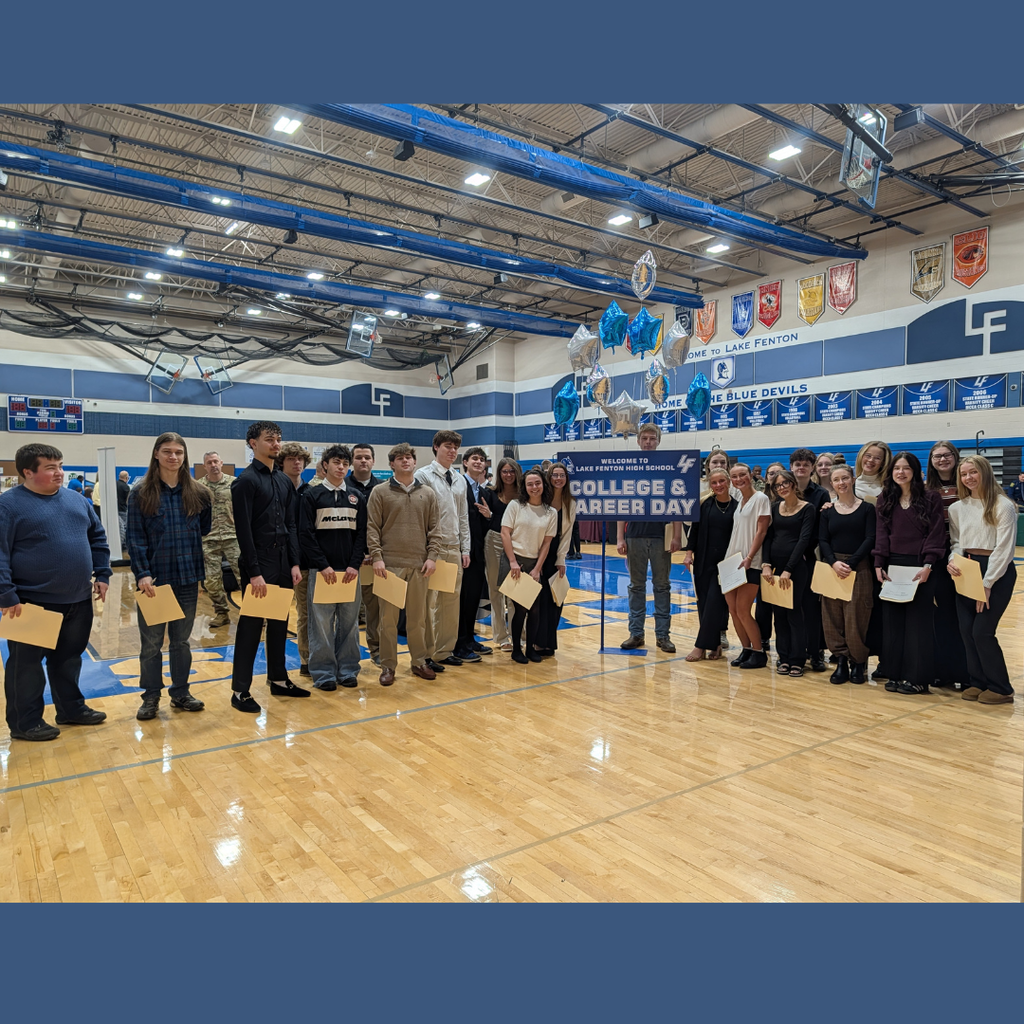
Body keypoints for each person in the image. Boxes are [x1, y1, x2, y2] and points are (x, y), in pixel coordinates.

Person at [0, 443, 111, 741]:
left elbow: (97, 538)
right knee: (26, 667)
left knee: (69, 659)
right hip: (30, 602)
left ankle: (71, 709)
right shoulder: (8, 505)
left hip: (77, 599)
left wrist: (103, 573)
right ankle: (25, 723)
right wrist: (5, 593)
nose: (59, 473)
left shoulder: (77, 501)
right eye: (51, 467)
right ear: (28, 471)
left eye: (60, 465)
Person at [127, 432, 213, 720]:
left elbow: (203, 529)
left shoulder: (200, 493)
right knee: (151, 643)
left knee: (181, 641)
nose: (173, 457)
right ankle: (151, 696)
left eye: (178, 452)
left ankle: (180, 692)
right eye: (167, 451)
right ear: (156, 454)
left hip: (187, 578)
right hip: (154, 582)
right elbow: (136, 538)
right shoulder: (140, 493)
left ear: (184, 456)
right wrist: (143, 574)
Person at [230, 421, 306, 713]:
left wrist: (295, 561)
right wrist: (254, 572)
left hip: (283, 561)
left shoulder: (284, 481)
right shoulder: (245, 482)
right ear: (252, 443)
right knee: (250, 628)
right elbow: (244, 532)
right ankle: (240, 690)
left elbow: (291, 525)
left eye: (278, 439)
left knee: (279, 624)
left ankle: (278, 678)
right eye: (269, 439)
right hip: (258, 562)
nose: (276, 444)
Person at [366, 443, 442, 685]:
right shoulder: (379, 492)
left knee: (418, 619)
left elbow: (435, 530)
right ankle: (388, 666)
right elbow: (372, 528)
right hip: (389, 566)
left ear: (414, 462)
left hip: (419, 565)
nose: (405, 461)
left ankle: (419, 661)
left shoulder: (428, 493)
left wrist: (432, 557)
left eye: (409, 457)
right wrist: (377, 558)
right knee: (387, 621)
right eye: (400, 458)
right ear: (392, 464)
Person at [873, 452, 946, 696]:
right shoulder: (885, 499)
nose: (901, 472)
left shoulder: (930, 497)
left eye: (906, 468)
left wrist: (928, 565)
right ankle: (895, 673)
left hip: (921, 568)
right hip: (893, 567)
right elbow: (881, 534)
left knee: (918, 625)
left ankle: (918, 679)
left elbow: (936, 533)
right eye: (896, 468)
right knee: (893, 624)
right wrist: (878, 563)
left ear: (915, 471)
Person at [947, 455, 1017, 705]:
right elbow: (956, 541)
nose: (968, 478)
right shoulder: (957, 507)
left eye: (973, 472)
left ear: (985, 473)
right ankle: (978, 682)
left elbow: (1004, 550)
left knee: (982, 631)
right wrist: (952, 561)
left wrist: (987, 584)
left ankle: (1000, 687)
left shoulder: (1002, 505)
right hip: (967, 567)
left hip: (995, 571)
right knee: (967, 631)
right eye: (964, 474)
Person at [299, 445, 367, 691]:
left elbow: (362, 535)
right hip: (322, 573)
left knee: (349, 625)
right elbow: (306, 535)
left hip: (349, 573)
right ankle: (324, 673)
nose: (341, 467)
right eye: (336, 462)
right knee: (321, 626)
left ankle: (347, 669)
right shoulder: (312, 495)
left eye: (344, 463)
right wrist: (323, 565)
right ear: (325, 465)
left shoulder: (356, 497)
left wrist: (354, 565)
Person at [617, 423, 682, 654]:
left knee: (662, 586)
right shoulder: (630, 468)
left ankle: (663, 636)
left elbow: (677, 502)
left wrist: (676, 536)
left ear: (658, 441)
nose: (647, 442)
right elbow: (621, 505)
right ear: (637, 441)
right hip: (634, 536)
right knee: (636, 586)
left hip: (660, 537)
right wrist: (620, 538)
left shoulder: (669, 467)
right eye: (644, 438)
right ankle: (636, 633)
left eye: (652, 438)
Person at [415, 430, 472, 670]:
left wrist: (465, 548)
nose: (452, 451)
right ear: (436, 447)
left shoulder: (459, 479)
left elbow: (463, 515)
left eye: (456, 447)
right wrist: (428, 551)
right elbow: (420, 515)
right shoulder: (423, 475)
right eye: (448, 446)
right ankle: (425, 654)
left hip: (454, 547)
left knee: (451, 602)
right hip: (432, 550)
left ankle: (444, 650)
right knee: (428, 603)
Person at [818, 464, 876, 684]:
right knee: (832, 617)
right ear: (831, 483)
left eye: (844, 478)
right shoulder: (827, 511)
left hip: (858, 567)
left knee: (856, 617)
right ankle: (841, 660)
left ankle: (858, 662)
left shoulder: (867, 509)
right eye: (836, 480)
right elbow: (823, 540)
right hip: (832, 568)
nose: (841, 483)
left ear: (852, 479)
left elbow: (870, 538)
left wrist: (851, 563)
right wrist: (833, 562)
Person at [499, 468, 558, 664]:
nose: (534, 487)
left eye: (537, 483)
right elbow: (505, 533)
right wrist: (513, 562)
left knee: (535, 609)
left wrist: (538, 568)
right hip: (514, 560)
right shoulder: (516, 506)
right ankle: (517, 649)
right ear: (524, 487)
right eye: (530, 484)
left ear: (543, 485)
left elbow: (547, 543)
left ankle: (531, 648)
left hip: (534, 563)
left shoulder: (550, 513)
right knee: (521, 608)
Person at [761, 470, 816, 676]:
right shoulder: (775, 508)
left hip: (795, 570)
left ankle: (797, 659)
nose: (782, 487)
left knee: (794, 614)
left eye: (785, 483)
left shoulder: (807, 509)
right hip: (775, 569)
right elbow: (768, 537)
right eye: (777, 485)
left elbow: (803, 541)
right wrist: (766, 564)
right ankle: (783, 657)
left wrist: (788, 570)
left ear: (793, 484)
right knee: (779, 615)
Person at [925, 440, 969, 688]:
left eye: (947, 454)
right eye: (937, 456)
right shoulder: (926, 488)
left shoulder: (967, 482)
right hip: (938, 556)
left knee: (962, 616)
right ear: (931, 461)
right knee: (941, 617)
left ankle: (965, 673)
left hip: (965, 556)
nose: (942, 459)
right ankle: (943, 670)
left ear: (955, 456)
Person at [683, 468, 736, 661]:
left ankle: (700, 646)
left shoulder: (738, 507)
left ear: (729, 482)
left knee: (715, 603)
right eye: (714, 482)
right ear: (710, 485)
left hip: (726, 564)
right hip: (704, 560)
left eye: (722, 481)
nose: (718, 485)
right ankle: (715, 644)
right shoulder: (705, 505)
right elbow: (694, 532)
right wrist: (688, 554)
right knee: (704, 604)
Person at [455, 446, 500, 661]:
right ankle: (458, 642)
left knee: (473, 597)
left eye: (482, 459)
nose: (478, 462)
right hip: (459, 552)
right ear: (465, 462)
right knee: (460, 599)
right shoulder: (457, 486)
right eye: (474, 458)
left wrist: (489, 516)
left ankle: (469, 638)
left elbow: (487, 526)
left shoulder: (484, 492)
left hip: (477, 553)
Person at [723, 463, 770, 669]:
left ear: (751, 475)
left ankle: (759, 652)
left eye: (742, 474)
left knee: (743, 609)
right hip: (732, 561)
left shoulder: (761, 499)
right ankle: (746, 649)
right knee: (733, 609)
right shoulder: (740, 501)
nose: (739, 479)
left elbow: (761, 531)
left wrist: (751, 556)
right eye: (734, 476)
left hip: (751, 561)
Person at [789, 448, 829, 673]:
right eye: (797, 464)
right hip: (787, 559)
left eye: (806, 464)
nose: (801, 467)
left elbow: (820, 529)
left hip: (810, 558)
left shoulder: (821, 493)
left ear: (812, 467)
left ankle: (816, 653)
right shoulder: (784, 491)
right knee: (791, 609)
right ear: (792, 467)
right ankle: (794, 651)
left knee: (812, 609)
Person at [277, 441, 313, 676]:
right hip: (278, 562)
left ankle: (307, 660)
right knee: (277, 616)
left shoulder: (311, 491)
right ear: (282, 462)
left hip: (306, 561)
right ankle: (276, 668)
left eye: (300, 459)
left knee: (306, 613)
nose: (296, 462)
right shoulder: (273, 488)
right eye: (291, 458)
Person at [347, 443, 385, 665]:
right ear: (352, 460)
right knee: (346, 611)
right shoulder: (341, 486)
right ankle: (346, 656)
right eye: (358, 457)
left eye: (367, 457)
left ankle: (377, 650)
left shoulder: (382, 488)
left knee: (374, 609)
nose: (363, 461)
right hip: (348, 560)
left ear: (373, 461)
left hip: (373, 560)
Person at [535, 461, 577, 655]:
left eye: (562, 475)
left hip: (556, 552)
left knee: (555, 599)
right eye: (555, 475)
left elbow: (567, 534)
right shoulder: (542, 500)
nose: (558, 479)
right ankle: (535, 641)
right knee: (539, 600)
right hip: (537, 551)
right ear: (549, 478)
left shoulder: (571, 503)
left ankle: (548, 642)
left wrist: (561, 558)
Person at [197, 451, 242, 629]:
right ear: (205, 466)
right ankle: (221, 613)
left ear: (221, 463)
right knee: (211, 581)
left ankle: (255, 614)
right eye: (209, 462)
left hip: (233, 537)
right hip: (209, 539)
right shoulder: (199, 487)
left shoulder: (234, 483)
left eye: (216, 461)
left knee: (244, 576)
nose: (213, 465)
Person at [486, 458, 522, 652]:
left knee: (514, 589)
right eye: (504, 471)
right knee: (495, 589)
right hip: (494, 541)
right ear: (499, 473)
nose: (508, 475)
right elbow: (491, 521)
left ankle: (518, 634)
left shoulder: (524, 495)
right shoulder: (490, 494)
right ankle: (501, 636)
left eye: (511, 471)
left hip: (518, 541)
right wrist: (491, 517)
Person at [116, 470, 131, 551]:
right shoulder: (126, 487)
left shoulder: (114, 484)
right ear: (126, 478)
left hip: (114, 509)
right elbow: (128, 500)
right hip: (122, 509)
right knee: (124, 527)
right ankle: (124, 545)